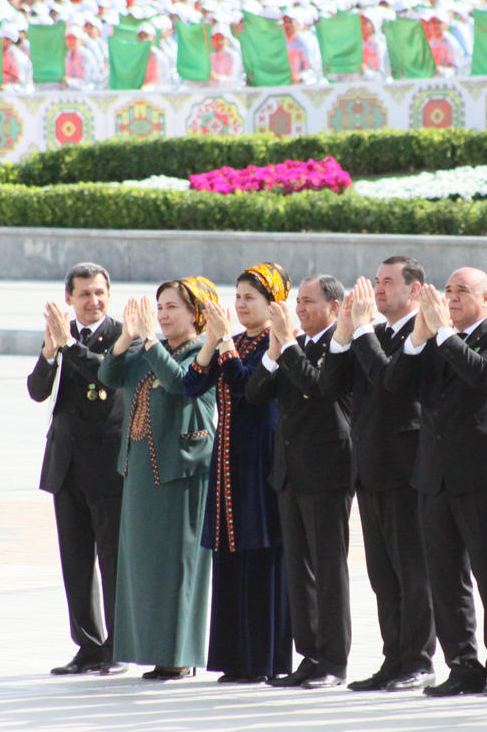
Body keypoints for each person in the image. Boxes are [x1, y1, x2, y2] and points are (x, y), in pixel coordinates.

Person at [385, 267, 487, 697]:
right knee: (445, 578)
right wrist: (417, 339)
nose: (453, 297)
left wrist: (443, 333)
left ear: (486, 297)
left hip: (485, 474)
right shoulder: (436, 337)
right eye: (448, 290)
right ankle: (462, 664)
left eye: (463, 290)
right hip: (436, 475)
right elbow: (395, 384)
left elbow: (484, 377)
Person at [97, 279, 218, 680]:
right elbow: (109, 374)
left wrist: (149, 341)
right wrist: (128, 336)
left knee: (177, 566)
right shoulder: (150, 349)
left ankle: (180, 654)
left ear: (195, 313)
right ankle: (151, 649)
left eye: (172, 308)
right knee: (143, 565)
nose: (163, 315)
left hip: (179, 471)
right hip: (140, 473)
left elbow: (180, 384)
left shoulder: (203, 350)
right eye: (159, 307)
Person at [326, 258, 436, 692]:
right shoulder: (372, 333)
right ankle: (394, 657)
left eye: (388, 282)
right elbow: (332, 385)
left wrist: (363, 329)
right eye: (376, 282)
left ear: (414, 290)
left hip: (407, 469)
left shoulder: (422, 331)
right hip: (370, 467)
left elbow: (390, 380)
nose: (378, 289)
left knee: (413, 572)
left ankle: (419, 658)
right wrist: (343, 333)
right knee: (382, 575)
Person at [182, 263, 294, 682]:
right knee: (230, 554)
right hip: (227, 459)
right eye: (239, 297)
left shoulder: (276, 340)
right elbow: (193, 386)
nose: (242, 305)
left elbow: (249, 387)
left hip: (260, 457)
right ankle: (234, 657)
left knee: (262, 553)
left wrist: (224, 341)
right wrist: (211, 342)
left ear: (272, 303)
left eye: (251, 298)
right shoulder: (236, 340)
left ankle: (265, 660)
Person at [248, 275, 354, 690]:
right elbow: (256, 393)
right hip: (290, 472)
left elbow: (318, 387)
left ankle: (333, 660)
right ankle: (309, 655)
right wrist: (275, 352)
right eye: (298, 302)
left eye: (309, 302)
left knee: (328, 569)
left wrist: (287, 343)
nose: (300, 309)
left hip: (327, 470)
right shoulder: (296, 346)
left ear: (333, 306)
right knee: (299, 569)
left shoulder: (338, 344)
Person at [26, 263, 129, 677]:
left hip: (108, 467)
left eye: (100, 292)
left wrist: (67, 345)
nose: (93, 301)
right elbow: (37, 391)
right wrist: (50, 352)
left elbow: (104, 375)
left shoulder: (122, 334)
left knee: (112, 558)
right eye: (84, 294)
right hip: (66, 465)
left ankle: (118, 645)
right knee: (76, 561)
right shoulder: (62, 336)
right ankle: (87, 645)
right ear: (69, 298)